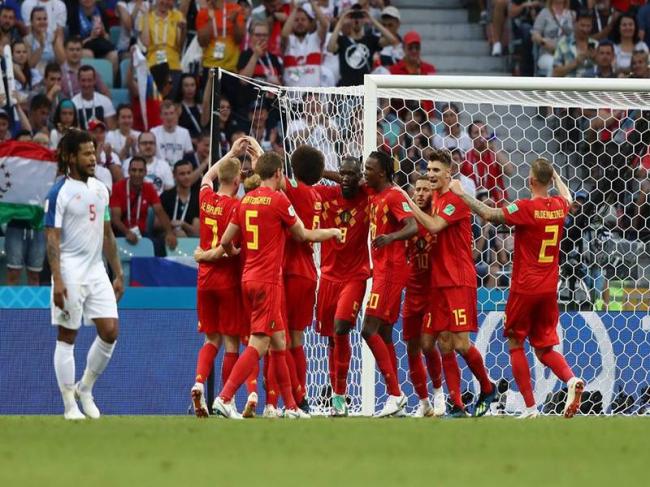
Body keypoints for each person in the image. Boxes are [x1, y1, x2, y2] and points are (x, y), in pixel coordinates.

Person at [448, 158, 586, 419]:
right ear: (549, 181)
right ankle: (571, 379)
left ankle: (530, 408)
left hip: (525, 288)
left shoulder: (525, 207)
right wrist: (556, 177)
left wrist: (461, 194)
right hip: (549, 288)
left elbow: (489, 214)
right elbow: (567, 196)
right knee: (544, 349)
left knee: (515, 343)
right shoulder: (559, 206)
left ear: (531, 181)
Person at [209, 150, 342, 419]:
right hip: (269, 281)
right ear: (279, 173)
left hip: (248, 278)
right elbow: (302, 234)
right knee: (260, 343)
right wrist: (332, 232)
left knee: (279, 341)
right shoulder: (279, 200)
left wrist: (234, 251)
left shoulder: (245, 200)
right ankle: (225, 397)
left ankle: (292, 407)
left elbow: (225, 241)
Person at [400, 149, 497, 418]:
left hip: (458, 279)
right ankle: (456, 403)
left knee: (461, 343)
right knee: (443, 341)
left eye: (436, 171)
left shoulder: (455, 200)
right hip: (439, 282)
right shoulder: (437, 198)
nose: (431, 175)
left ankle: (488, 387)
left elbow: (434, 226)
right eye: (429, 170)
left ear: (448, 173)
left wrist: (408, 202)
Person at [44, 128, 123, 420]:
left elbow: (107, 233)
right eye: (87, 153)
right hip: (70, 271)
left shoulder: (101, 189)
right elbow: (51, 238)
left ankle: (85, 388)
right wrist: (58, 279)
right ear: (70, 157)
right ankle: (69, 405)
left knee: (110, 331)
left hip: (96, 271)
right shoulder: (59, 193)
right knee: (68, 335)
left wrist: (117, 273)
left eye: (94, 152)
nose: (93, 158)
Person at [190, 138, 249, 418]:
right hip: (227, 281)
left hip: (204, 282)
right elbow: (228, 249)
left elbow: (206, 176)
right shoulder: (237, 207)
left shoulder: (206, 198)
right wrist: (207, 255)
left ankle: (199, 383)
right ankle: (228, 399)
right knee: (231, 343)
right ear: (237, 181)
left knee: (210, 339)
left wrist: (231, 153)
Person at [312, 157, 370, 417]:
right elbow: (301, 181)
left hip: (355, 276)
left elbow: (378, 182)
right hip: (328, 277)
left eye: (351, 174)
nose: (345, 178)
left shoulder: (367, 196)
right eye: (342, 173)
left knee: (341, 328)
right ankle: (336, 393)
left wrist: (349, 178)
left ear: (360, 176)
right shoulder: (325, 194)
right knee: (332, 339)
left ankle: (339, 395)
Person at [362, 150, 417, 417]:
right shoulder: (375, 193)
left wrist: (391, 237)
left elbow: (412, 226)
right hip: (382, 270)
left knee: (367, 329)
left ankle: (395, 394)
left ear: (382, 173)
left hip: (391, 272)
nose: (364, 173)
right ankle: (396, 399)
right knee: (384, 334)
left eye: (368, 169)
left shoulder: (394, 195)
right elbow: (347, 179)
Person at [279, 144, 325, 412]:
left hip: (290, 271)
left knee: (281, 339)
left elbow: (274, 175)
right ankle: (301, 396)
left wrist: (254, 149)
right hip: (308, 271)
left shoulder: (297, 190)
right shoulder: (316, 195)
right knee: (296, 339)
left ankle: (294, 399)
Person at [402, 175, 445, 418]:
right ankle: (423, 402)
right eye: (417, 189)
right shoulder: (407, 220)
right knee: (412, 347)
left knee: (428, 345)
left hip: (433, 292)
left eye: (425, 190)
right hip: (412, 291)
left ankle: (439, 393)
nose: (419, 193)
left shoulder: (438, 219)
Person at [109, 155, 177, 249]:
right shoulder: (118, 187)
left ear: (145, 172)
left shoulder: (149, 188)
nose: (137, 174)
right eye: (134, 170)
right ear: (128, 171)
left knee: (159, 246)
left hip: (141, 233)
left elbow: (160, 212)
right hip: (122, 233)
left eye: (140, 171)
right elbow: (115, 219)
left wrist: (169, 233)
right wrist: (127, 232)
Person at [327, 4, 398, 86]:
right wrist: (341, 21)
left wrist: (372, 20)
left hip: (364, 88)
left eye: (360, 17)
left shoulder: (370, 39)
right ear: (350, 20)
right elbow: (330, 48)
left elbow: (392, 40)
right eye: (353, 17)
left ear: (364, 20)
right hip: (346, 89)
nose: (357, 20)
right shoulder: (342, 40)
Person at [138, 0, 185, 94]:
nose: (164, 2)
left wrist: (183, 30)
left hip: (173, 63)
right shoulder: (146, 17)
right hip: (154, 64)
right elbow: (146, 43)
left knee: (171, 98)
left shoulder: (177, 16)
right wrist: (146, 16)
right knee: (158, 98)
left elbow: (180, 44)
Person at [281, 0, 329, 87]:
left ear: (309, 23)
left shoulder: (315, 39)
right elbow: (284, 34)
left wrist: (312, 3)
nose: (300, 22)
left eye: (303, 20)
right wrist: (295, 9)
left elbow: (325, 25)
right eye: (296, 20)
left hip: (313, 94)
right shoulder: (289, 41)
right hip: (292, 94)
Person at [532, 0, 575, 76]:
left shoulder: (572, 14)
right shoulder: (544, 13)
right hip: (548, 54)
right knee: (555, 65)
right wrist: (543, 42)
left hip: (567, 54)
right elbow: (535, 34)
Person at [159, 160, 200, 238]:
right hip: (167, 237)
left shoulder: (198, 198)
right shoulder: (166, 196)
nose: (186, 177)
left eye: (189, 173)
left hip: (190, 239)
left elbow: (196, 232)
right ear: (174, 175)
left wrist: (183, 224)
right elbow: (156, 224)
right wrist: (170, 225)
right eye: (182, 174)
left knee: (181, 234)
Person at [552, 9, 598, 78]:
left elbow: (607, 72)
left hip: (591, 83)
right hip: (570, 83)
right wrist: (575, 62)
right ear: (575, 23)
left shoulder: (596, 45)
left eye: (588, 26)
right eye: (582, 25)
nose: (585, 29)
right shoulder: (563, 44)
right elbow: (555, 73)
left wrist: (596, 59)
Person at [71, 65, 116, 130]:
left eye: (89, 80)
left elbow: (111, 129)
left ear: (94, 81)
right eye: (83, 80)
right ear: (78, 81)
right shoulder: (73, 103)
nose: (86, 84)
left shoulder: (105, 101)